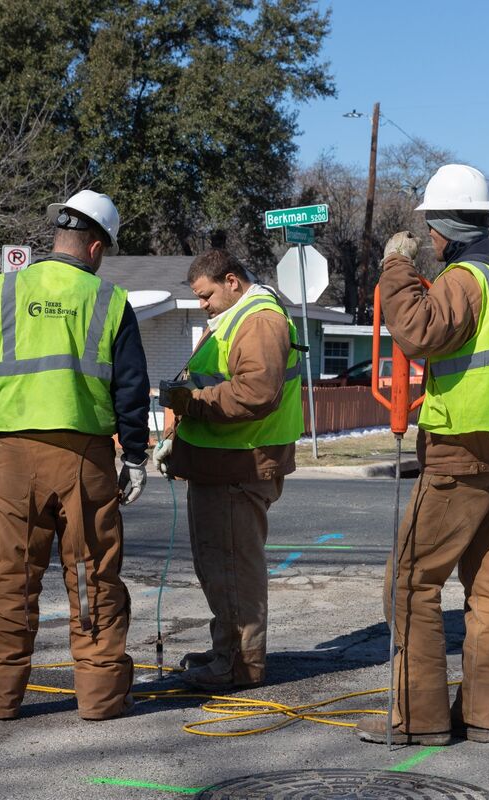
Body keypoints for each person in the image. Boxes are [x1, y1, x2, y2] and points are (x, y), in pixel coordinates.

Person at [355, 164, 489, 746]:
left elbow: (418, 331)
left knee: (410, 583)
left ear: (445, 227)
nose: (428, 241)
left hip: (460, 451)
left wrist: (395, 265)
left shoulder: (466, 279)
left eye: (429, 231)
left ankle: (420, 719)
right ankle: (482, 717)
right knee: (488, 587)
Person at [0, 190, 150, 721]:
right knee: (92, 575)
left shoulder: (2, 291)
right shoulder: (109, 301)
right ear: (95, 248)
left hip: (16, 455)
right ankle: (100, 698)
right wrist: (134, 455)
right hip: (86, 460)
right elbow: (131, 389)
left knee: (10, 578)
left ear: (58, 237)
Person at [154, 243, 303, 690]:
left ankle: (239, 663)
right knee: (220, 566)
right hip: (224, 463)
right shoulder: (236, 318)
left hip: (241, 464)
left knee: (233, 568)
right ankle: (229, 649)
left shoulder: (258, 320)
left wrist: (192, 404)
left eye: (206, 295)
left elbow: (256, 392)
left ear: (231, 282)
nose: (201, 305)